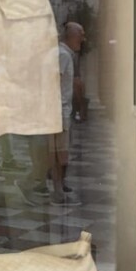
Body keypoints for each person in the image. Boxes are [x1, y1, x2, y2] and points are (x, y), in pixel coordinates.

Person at [49, 22, 85, 207]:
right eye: (81, 35)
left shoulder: (66, 54)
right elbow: (55, 82)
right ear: (72, 36)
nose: (83, 39)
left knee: (61, 153)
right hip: (59, 111)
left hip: (62, 110)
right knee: (59, 154)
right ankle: (58, 192)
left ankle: (60, 187)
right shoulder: (62, 55)